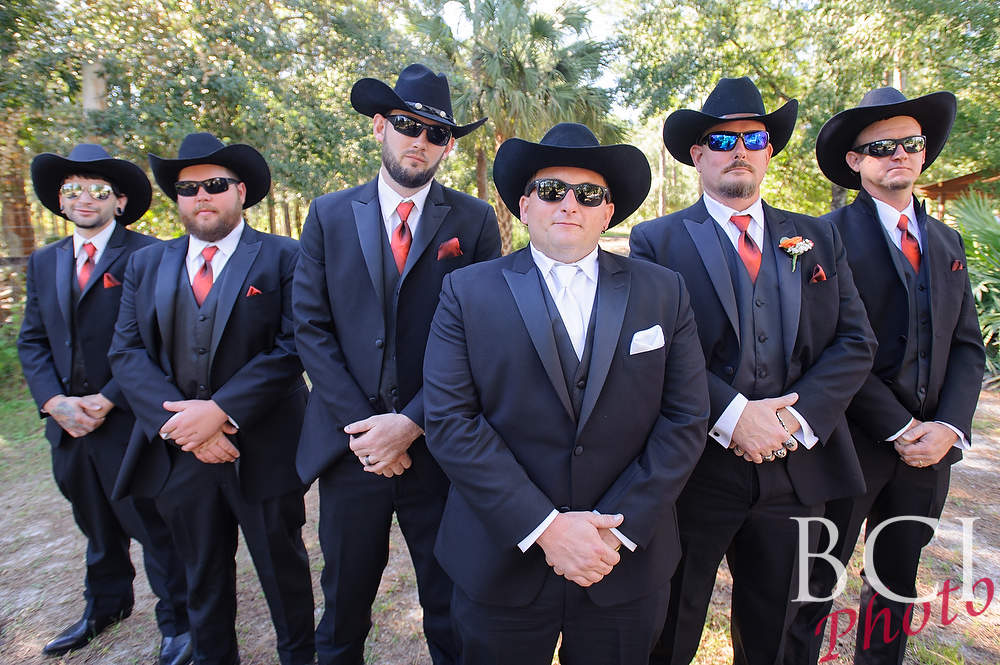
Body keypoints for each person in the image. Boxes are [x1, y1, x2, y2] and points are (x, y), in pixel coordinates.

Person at [423, 122, 709, 664]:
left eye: (589, 194)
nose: (569, 204)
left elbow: (686, 416)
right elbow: (451, 420)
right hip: (500, 560)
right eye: (551, 190)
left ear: (608, 212)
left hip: (621, 561)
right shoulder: (466, 291)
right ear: (524, 206)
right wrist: (546, 528)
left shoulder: (663, 291)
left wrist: (614, 531)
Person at [629, 77, 876, 665]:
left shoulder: (818, 237)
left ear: (769, 152)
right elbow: (651, 350)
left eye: (754, 138)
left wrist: (791, 422)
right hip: (695, 469)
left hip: (796, 470)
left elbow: (855, 341)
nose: (739, 149)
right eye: (722, 140)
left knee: (776, 635)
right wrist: (735, 415)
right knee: (669, 625)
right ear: (698, 155)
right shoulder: (657, 240)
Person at [292, 63, 501, 665]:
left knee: (451, 602)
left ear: (448, 145)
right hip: (351, 446)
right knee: (344, 601)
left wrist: (411, 422)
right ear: (380, 126)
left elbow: (484, 337)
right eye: (409, 125)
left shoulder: (474, 221)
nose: (421, 141)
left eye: (437, 133)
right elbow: (311, 326)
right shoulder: (328, 214)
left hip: (440, 445)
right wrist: (368, 432)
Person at [784, 87, 985, 665]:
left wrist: (948, 426)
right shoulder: (823, 237)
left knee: (895, 585)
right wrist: (897, 426)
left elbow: (966, 347)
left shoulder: (947, 240)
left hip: (930, 452)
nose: (898, 153)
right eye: (881, 147)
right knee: (811, 587)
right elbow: (824, 347)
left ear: (923, 153)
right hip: (847, 443)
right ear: (855, 161)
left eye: (910, 143)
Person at [108, 132, 314, 665]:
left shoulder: (285, 257)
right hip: (181, 454)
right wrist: (184, 427)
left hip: (264, 449)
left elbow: (294, 345)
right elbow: (126, 352)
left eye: (215, 185)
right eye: (187, 188)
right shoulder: (145, 264)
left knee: (284, 573)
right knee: (200, 577)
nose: (201, 195)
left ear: (240, 192)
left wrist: (221, 413)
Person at [18, 144, 192, 664]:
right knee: (94, 522)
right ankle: (106, 606)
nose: (84, 198)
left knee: (152, 524)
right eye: (71, 189)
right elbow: (33, 340)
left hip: (128, 420)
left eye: (98, 190)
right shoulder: (44, 261)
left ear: (119, 201)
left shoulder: (150, 255)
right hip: (67, 424)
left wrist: (109, 398)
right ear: (60, 201)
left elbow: (160, 338)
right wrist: (54, 401)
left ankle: (179, 623)